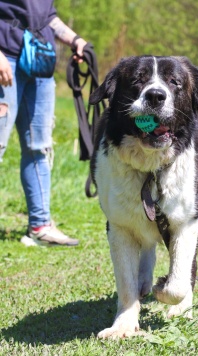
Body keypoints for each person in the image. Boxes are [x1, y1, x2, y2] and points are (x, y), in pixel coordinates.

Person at [0, 1, 87, 247]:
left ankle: (40, 226)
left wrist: (75, 40)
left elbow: (48, 17)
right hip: (5, 59)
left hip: (39, 59)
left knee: (39, 146)